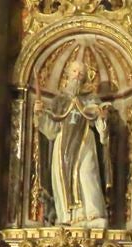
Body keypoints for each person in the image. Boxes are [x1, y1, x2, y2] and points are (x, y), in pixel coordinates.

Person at [35, 53, 110, 227]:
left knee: (86, 173)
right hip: (63, 145)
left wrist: (102, 118)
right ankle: (68, 216)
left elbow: (101, 131)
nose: (77, 75)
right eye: (75, 71)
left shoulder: (91, 100)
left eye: (81, 73)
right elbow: (50, 130)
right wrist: (39, 113)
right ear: (68, 74)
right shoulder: (59, 101)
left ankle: (92, 212)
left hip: (85, 142)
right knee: (63, 176)